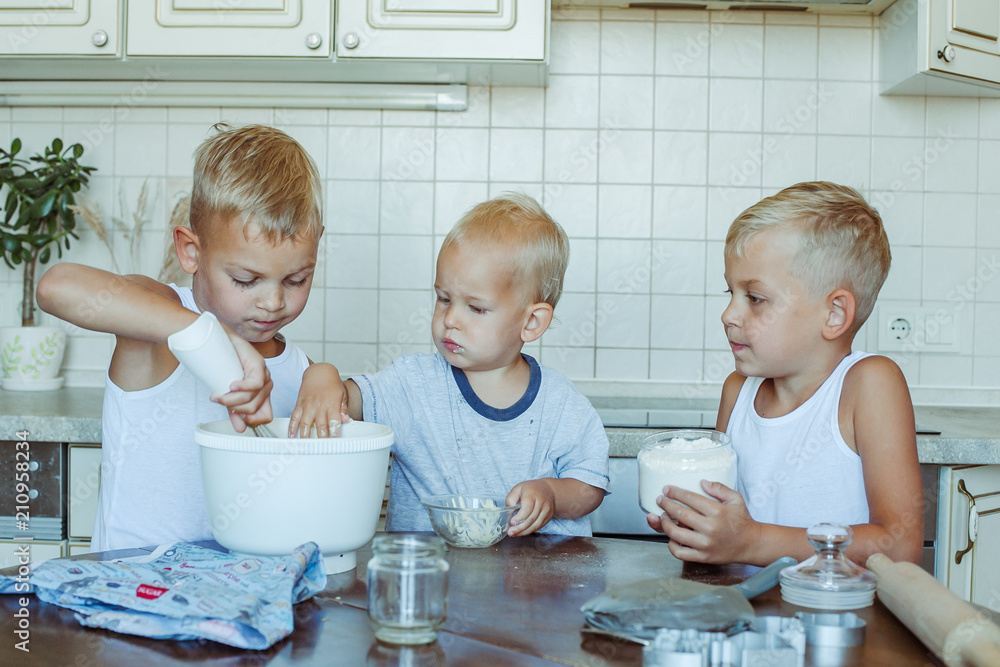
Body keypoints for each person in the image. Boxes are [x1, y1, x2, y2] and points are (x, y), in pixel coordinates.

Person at [37, 124, 340, 551]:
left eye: (296, 279)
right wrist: (204, 333)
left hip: (235, 597)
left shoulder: (296, 369)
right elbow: (56, 287)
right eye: (245, 279)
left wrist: (324, 375)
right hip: (133, 595)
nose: (272, 302)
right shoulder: (156, 326)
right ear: (191, 251)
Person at [647, 181, 923, 567]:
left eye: (755, 299)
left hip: (839, 623)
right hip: (748, 617)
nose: (729, 314)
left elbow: (900, 546)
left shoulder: (869, 385)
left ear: (834, 314)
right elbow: (729, 521)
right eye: (730, 293)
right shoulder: (738, 391)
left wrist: (754, 542)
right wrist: (697, 523)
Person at [313, 193, 610, 536]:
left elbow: (590, 486)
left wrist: (552, 495)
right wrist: (322, 375)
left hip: (532, 584)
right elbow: (348, 402)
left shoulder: (561, 404)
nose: (450, 318)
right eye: (444, 299)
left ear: (531, 323)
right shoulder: (412, 384)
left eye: (476, 308)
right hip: (433, 577)